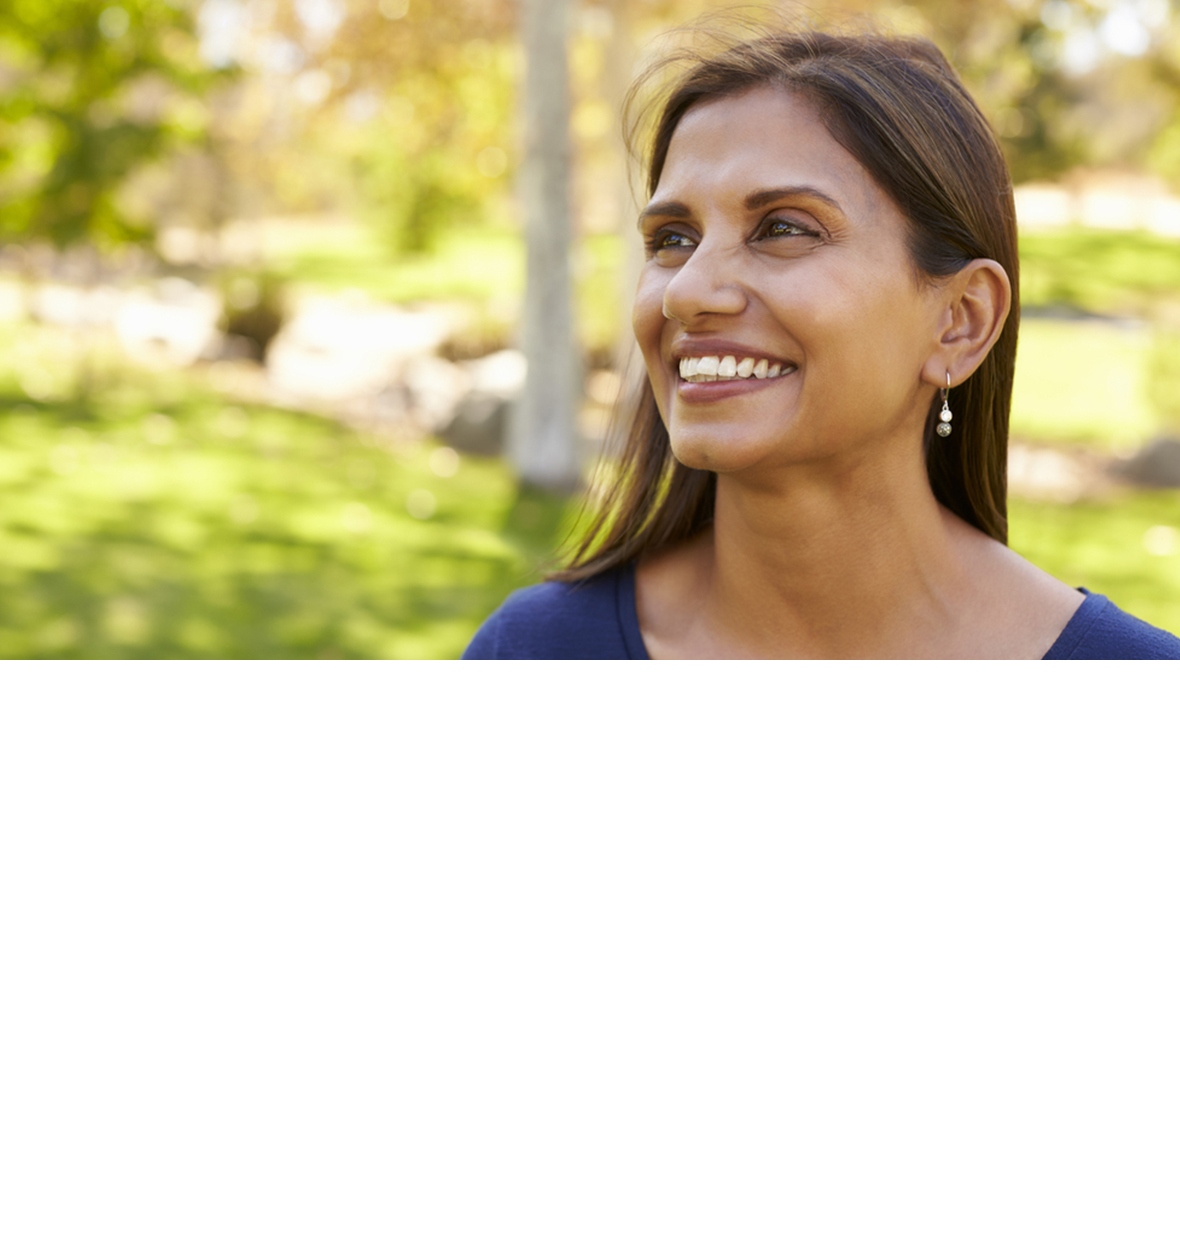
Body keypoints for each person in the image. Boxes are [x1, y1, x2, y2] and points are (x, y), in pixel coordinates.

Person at [464, 24, 1180, 660]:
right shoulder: (532, 654)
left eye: (782, 228)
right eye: (673, 239)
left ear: (960, 321)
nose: (686, 291)